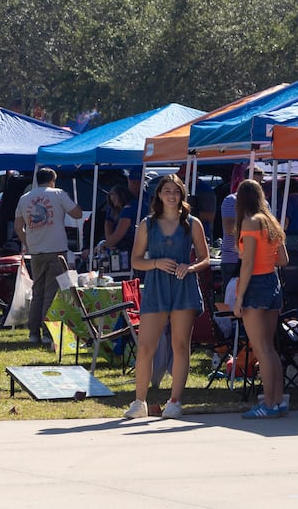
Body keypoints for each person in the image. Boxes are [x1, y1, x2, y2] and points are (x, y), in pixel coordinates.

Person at [125, 174, 210, 420]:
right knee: (146, 346)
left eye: (176, 191)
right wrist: (156, 263)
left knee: (181, 345)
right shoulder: (147, 224)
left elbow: (204, 258)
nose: (171, 195)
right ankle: (139, 401)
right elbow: (136, 260)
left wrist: (190, 267)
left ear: (182, 194)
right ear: (159, 195)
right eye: (167, 191)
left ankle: (174, 401)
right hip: (156, 286)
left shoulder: (192, 223)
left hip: (184, 286)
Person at [232, 178, 289, 418]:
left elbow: (247, 264)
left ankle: (268, 403)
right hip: (272, 281)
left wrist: (239, 297)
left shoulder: (250, 222)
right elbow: (283, 260)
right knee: (270, 348)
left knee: (261, 349)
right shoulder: (271, 222)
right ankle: (277, 400)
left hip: (255, 284)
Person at [14, 167, 83, 348]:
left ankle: (33, 332)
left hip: (36, 251)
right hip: (56, 250)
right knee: (51, 293)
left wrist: (27, 242)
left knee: (38, 291)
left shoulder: (24, 198)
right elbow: (77, 213)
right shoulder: (58, 193)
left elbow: (18, 226)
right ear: (53, 180)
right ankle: (47, 333)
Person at [103, 184, 136, 267]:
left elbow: (119, 233)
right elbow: (108, 223)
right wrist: (109, 241)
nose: (113, 202)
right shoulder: (113, 209)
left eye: (114, 197)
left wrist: (103, 246)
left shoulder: (128, 208)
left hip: (129, 245)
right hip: (118, 245)